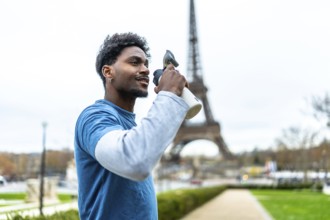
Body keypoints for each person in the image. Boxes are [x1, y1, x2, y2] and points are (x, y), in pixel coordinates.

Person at [74, 32, 189, 219]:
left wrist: (173, 98)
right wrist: (168, 95)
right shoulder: (94, 117)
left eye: (146, 64)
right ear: (108, 71)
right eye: (135, 62)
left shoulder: (132, 127)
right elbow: (135, 160)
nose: (145, 70)